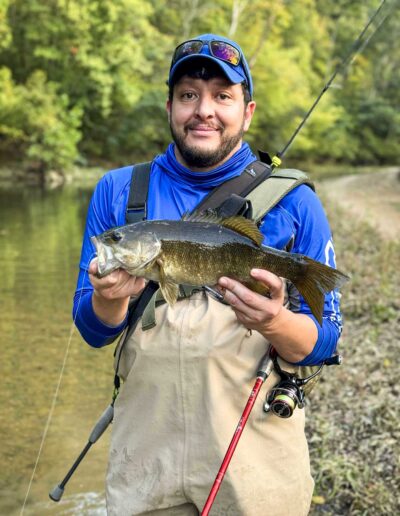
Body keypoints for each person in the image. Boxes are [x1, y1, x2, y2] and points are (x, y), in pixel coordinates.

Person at [74, 33, 343, 516]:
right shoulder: (116, 192)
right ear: (170, 106)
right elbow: (92, 331)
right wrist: (110, 298)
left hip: (253, 464)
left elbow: (324, 343)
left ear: (248, 110)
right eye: (188, 95)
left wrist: (274, 321)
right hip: (146, 461)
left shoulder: (295, 202)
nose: (204, 110)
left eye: (223, 95)